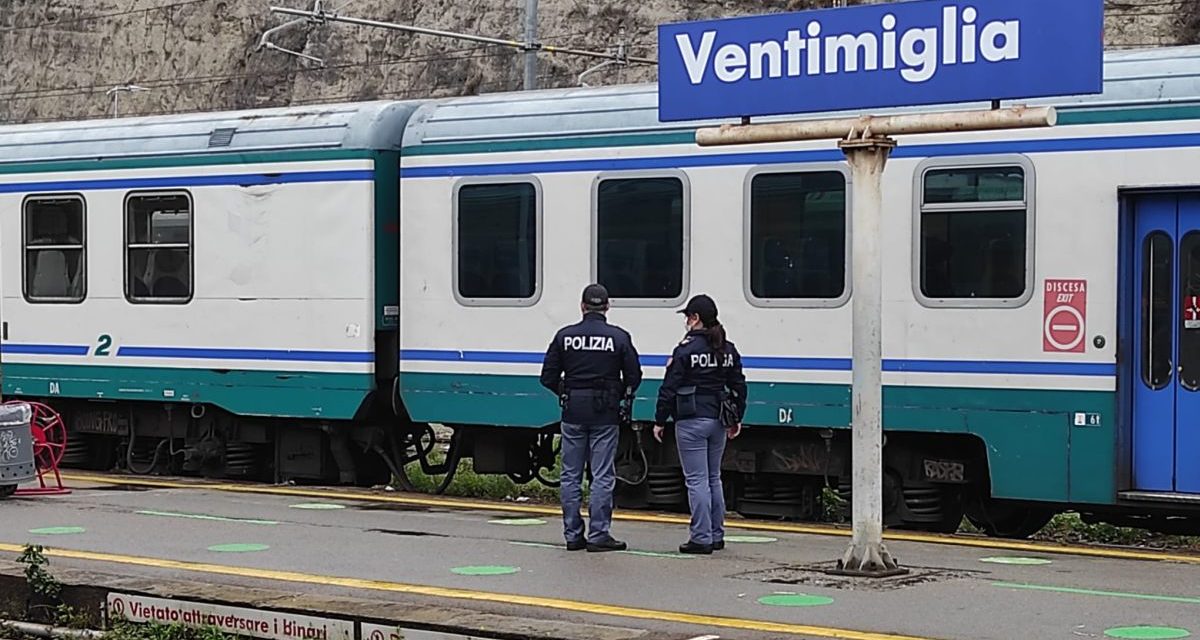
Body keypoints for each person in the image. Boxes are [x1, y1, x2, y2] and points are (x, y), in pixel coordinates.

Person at [540, 284, 643, 552]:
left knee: (571, 475)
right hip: (605, 414)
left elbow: (547, 377)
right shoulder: (619, 338)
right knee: (602, 475)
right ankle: (599, 535)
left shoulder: (565, 336)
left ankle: (573, 535)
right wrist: (616, 394)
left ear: (583, 306)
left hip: (573, 411)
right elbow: (634, 377)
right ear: (607, 307)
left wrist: (567, 391)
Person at [654, 294, 747, 555]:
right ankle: (717, 535)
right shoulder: (727, 349)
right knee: (713, 478)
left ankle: (701, 538)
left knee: (696, 481)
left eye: (687, 317)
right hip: (718, 419)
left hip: (691, 419)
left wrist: (660, 420)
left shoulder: (685, 349)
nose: (685, 321)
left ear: (695, 319)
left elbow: (669, 387)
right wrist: (737, 416)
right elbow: (739, 385)